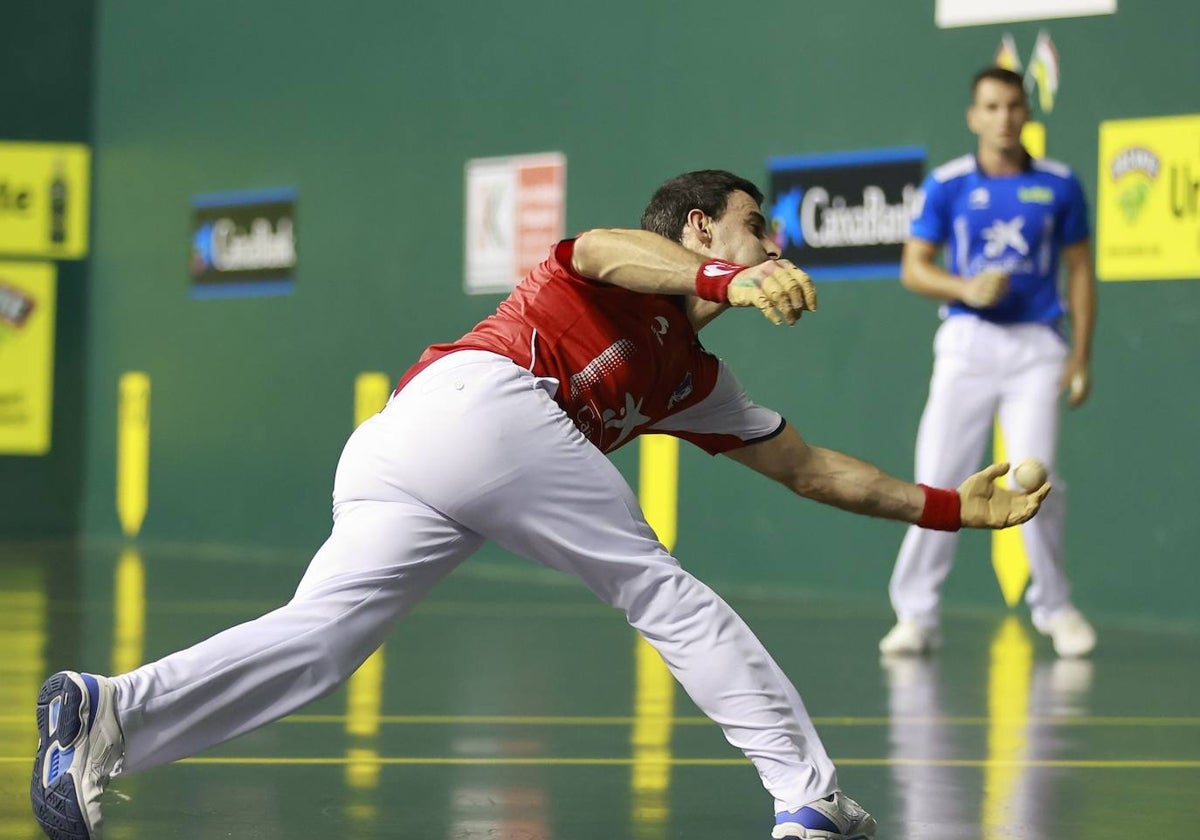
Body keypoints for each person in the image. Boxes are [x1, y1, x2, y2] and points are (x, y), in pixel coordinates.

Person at [31, 170, 1049, 840]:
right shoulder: (633, 274)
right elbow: (605, 246)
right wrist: (725, 279)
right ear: (703, 229)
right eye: (755, 227)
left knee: (320, 645)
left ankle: (110, 713)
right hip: (477, 404)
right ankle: (809, 799)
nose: (775, 243)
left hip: (415, 440)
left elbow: (807, 466)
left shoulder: (694, 376)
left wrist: (949, 510)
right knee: (663, 593)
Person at [880, 67, 1098, 659]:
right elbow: (914, 266)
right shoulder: (949, 184)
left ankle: (1056, 607)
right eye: (991, 107)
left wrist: (1081, 353)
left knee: (1038, 477)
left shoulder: (1059, 184)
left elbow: (1079, 270)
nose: (1003, 117)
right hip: (967, 344)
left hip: (1036, 348)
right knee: (938, 477)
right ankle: (916, 614)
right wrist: (965, 288)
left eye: (1013, 106)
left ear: (1027, 113)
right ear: (974, 117)